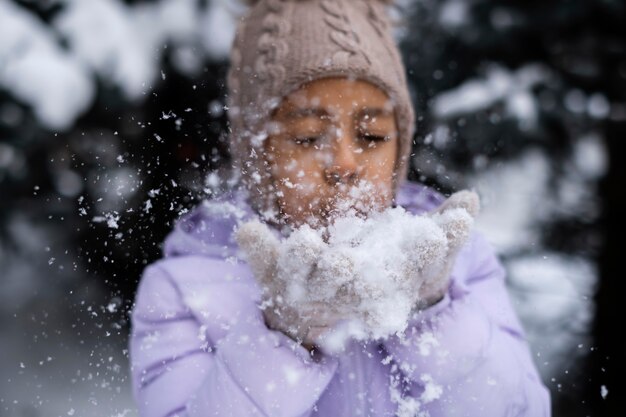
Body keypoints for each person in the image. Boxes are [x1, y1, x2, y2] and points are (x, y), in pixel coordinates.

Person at [128, 0, 551, 416]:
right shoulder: (184, 288)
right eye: (309, 138)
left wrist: (433, 313)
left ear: (400, 147)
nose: (345, 165)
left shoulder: (460, 263)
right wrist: (284, 336)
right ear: (257, 156)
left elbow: (521, 408)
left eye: (371, 136)